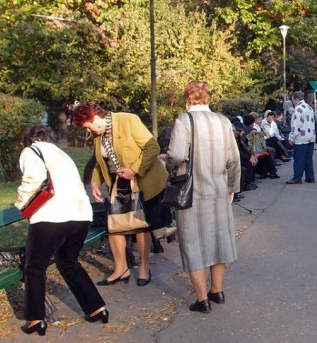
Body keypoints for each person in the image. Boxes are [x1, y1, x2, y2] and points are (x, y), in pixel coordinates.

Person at [15, 126, 108, 335]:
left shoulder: (32, 151)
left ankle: (36, 319)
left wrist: (21, 204)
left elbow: (33, 179)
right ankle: (96, 308)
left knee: (35, 267)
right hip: (80, 215)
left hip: (51, 216)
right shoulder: (62, 154)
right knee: (69, 262)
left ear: (29, 139)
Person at [166, 81, 241, 313]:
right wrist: (232, 187)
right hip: (218, 190)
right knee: (220, 240)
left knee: (193, 243)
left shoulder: (184, 121)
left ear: (187, 99)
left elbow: (177, 154)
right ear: (208, 98)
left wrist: (169, 164)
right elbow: (234, 159)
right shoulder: (223, 121)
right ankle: (217, 290)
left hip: (192, 192)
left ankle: (202, 300)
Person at [73, 102, 168, 287]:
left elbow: (153, 148)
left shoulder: (128, 120)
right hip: (118, 184)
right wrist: (94, 181)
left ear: (96, 118)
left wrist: (133, 169)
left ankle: (144, 267)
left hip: (142, 182)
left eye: (88, 126)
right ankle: (120, 269)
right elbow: (100, 162)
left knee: (140, 226)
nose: (89, 130)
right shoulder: (98, 134)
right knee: (114, 226)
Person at [287, 90, 316, 184]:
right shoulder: (309, 107)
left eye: (293, 100)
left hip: (301, 137)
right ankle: (310, 176)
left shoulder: (298, 109)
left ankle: (297, 177)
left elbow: (296, 125)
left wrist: (291, 137)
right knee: (308, 158)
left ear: (296, 99)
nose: (293, 102)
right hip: (310, 136)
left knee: (299, 158)